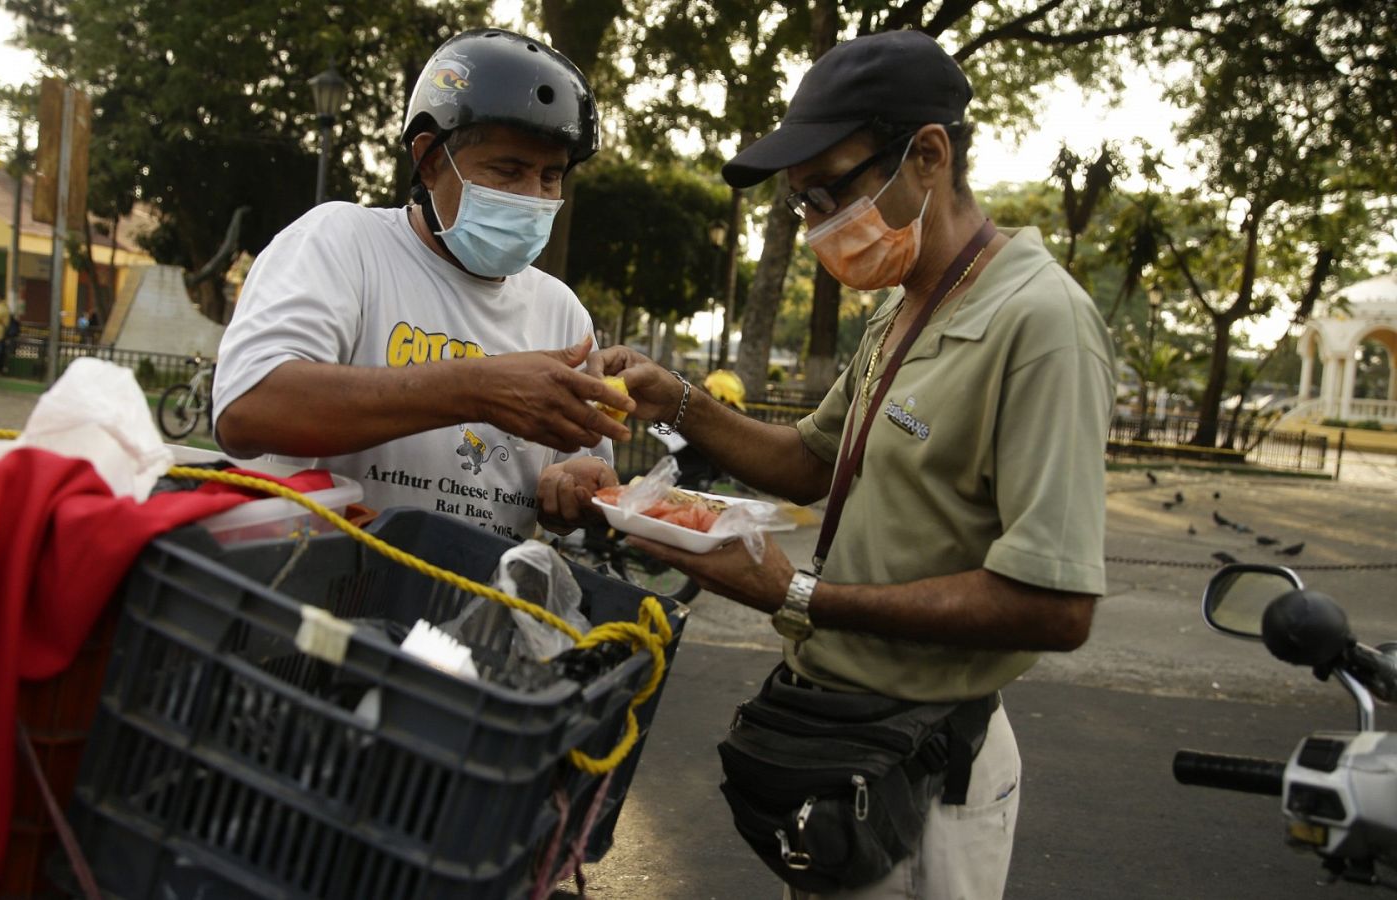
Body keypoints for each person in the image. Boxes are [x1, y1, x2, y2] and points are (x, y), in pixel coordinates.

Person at [592, 31, 1114, 900]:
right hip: (843, 741)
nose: (819, 223)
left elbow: (1056, 606)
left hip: (929, 764)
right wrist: (677, 400)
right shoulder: (906, 306)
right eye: (803, 203)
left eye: (832, 189)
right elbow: (811, 462)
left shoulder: (1040, 322)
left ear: (929, 156)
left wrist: (795, 593)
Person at [213, 28, 632, 541]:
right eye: (508, 170)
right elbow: (247, 410)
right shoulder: (343, 243)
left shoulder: (561, 311)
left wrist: (568, 487)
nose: (533, 196)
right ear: (431, 161)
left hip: (479, 607)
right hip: (327, 593)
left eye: (550, 177)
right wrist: (477, 388)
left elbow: (574, 472)